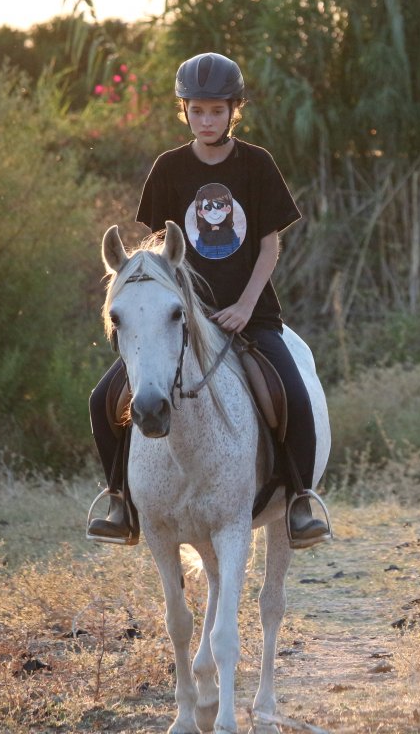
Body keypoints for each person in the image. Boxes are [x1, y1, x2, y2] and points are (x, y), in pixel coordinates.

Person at [86, 52, 331, 549]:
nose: (206, 120)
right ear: (184, 111)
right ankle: (120, 501)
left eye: (217, 111)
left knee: (291, 393)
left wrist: (245, 306)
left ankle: (300, 500)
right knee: (102, 400)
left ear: (234, 110)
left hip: (250, 315)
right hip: (180, 319)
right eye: (197, 111)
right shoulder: (169, 168)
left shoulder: (257, 164)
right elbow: (160, 255)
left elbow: (269, 246)